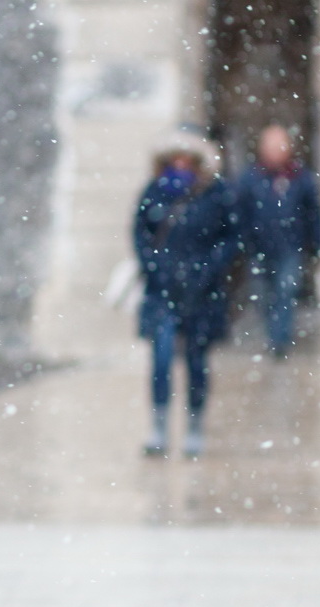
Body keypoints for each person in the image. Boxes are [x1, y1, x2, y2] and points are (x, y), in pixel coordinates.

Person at [133, 131, 238, 458]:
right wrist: (154, 265)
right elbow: (140, 233)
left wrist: (208, 269)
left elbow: (231, 237)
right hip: (163, 289)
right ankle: (159, 427)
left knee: (196, 361)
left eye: (186, 159)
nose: (180, 165)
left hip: (201, 292)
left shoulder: (215, 194)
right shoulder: (154, 192)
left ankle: (194, 426)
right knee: (161, 359)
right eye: (174, 159)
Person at [236, 123, 320, 358]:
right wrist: (243, 241)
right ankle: (272, 332)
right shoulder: (250, 178)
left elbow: (312, 213)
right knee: (263, 296)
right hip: (259, 247)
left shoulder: (300, 177)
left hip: (290, 247)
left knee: (285, 292)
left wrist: (316, 242)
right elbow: (240, 212)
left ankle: (279, 340)